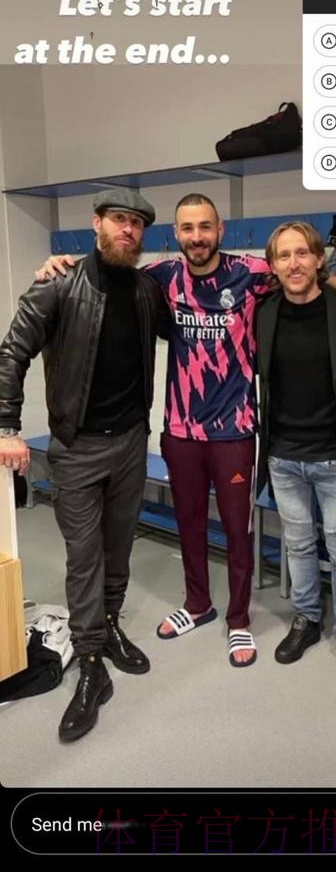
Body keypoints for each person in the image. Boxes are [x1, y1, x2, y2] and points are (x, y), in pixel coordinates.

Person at [40, 194, 271, 667]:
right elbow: (105, 274)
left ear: (221, 230)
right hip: (180, 429)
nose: (197, 237)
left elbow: (307, 275)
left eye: (205, 227)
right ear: (176, 233)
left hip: (233, 431)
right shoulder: (159, 278)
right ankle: (198, 604)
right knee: (189, 523)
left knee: (236, 530)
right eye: (187, 228)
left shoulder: (251, 273)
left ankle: (239, 620)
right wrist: (57, 267)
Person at [0, 188, 168, 743]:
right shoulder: (58, 283)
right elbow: (12, 352)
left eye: (137, 223)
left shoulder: (147, 290)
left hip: (131, 443)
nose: (128, 230)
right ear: (97, 223)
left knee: (119, 546)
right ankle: (91, 661)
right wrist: (6, 427)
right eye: (118, 219)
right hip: (77, 449)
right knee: (84, 557)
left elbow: (194, 310)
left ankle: (110, 625)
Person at [256, 222, 336, 689]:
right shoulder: (264, 311)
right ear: (273, 265)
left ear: (320, 258)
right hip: (282, 455)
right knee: (298, 545)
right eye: (284, 256)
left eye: (302, 253)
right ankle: (306, 618)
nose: (294, 263)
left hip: (333, 457)